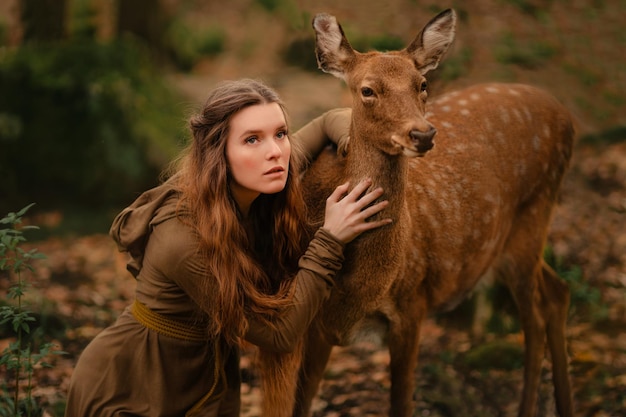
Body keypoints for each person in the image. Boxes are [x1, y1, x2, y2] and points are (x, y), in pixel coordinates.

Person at [64, 78, 390, 417]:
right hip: (133, 384)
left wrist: (352, 147)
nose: (275, 151)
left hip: (202, 374)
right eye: (252, 139)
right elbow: (279, 336)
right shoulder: (183, 235)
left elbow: (330, 120)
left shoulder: (267, 166)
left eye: (280, 133)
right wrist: (331, 238)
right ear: (218, 152)